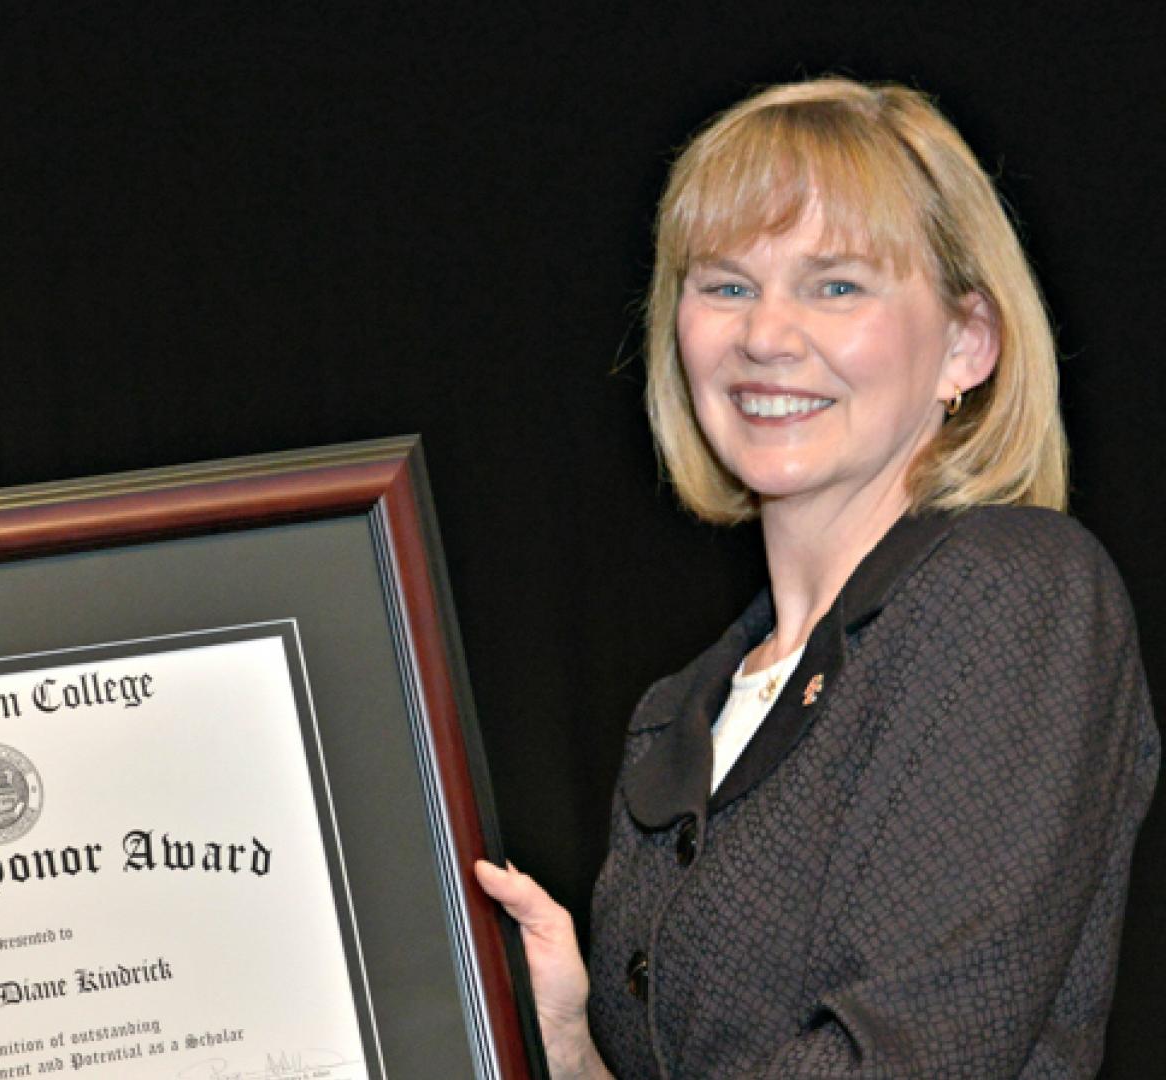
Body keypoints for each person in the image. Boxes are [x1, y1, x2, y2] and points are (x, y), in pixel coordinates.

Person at [476, 78, 1158, 1078]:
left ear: (965, 344)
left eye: (836, 285)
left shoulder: (1015, 594)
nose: (765, 336)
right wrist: (573, 1045)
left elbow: (916, 1053)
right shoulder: (680, 715)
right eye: (726, 284)